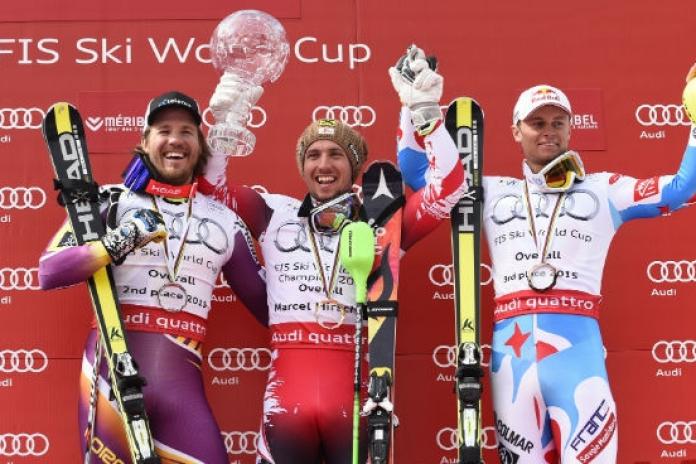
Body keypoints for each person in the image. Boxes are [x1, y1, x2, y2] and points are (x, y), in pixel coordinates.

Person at [400, 68, 696, 461]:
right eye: (536, 123)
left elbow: (681, 189)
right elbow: (419, 175)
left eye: (558, 122)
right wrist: (417, 110)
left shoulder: (604, 190)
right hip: (512, 363)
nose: (548, 132)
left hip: (578, 359)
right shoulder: (490, 191)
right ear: (515, 131)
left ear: (571, 129)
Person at [200, 46, 466, 463]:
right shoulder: (274, 212)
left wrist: (426, 114)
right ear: (302, 166)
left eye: (336, 154)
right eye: (313, 155)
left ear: (355, 165)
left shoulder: (382, 222)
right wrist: (225, 125)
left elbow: (449, 189)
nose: (323, 164)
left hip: (357, 402)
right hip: (285, 406)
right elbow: (210, 190)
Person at [38, 91, 267, 463]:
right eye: (164, 130)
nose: (175, 140)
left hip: (182, 393)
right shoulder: (110, 202)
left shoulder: (225, 221)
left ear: (200, 145)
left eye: (186, 131)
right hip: (112, 376)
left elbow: (272, 309)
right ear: (145, 142)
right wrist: (120, 241)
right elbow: (49, 270)